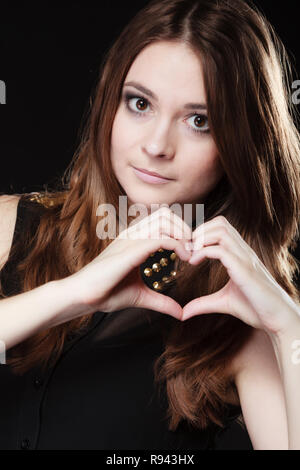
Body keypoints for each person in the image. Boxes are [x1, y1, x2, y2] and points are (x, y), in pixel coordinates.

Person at [0, 0, 300, 451]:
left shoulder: (243, 316)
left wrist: (290, 329)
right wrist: (73, 293)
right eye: (139, 103)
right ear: (111, 104)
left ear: (241, 143)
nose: (157, 145)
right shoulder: (11, 224)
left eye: (199, 121)